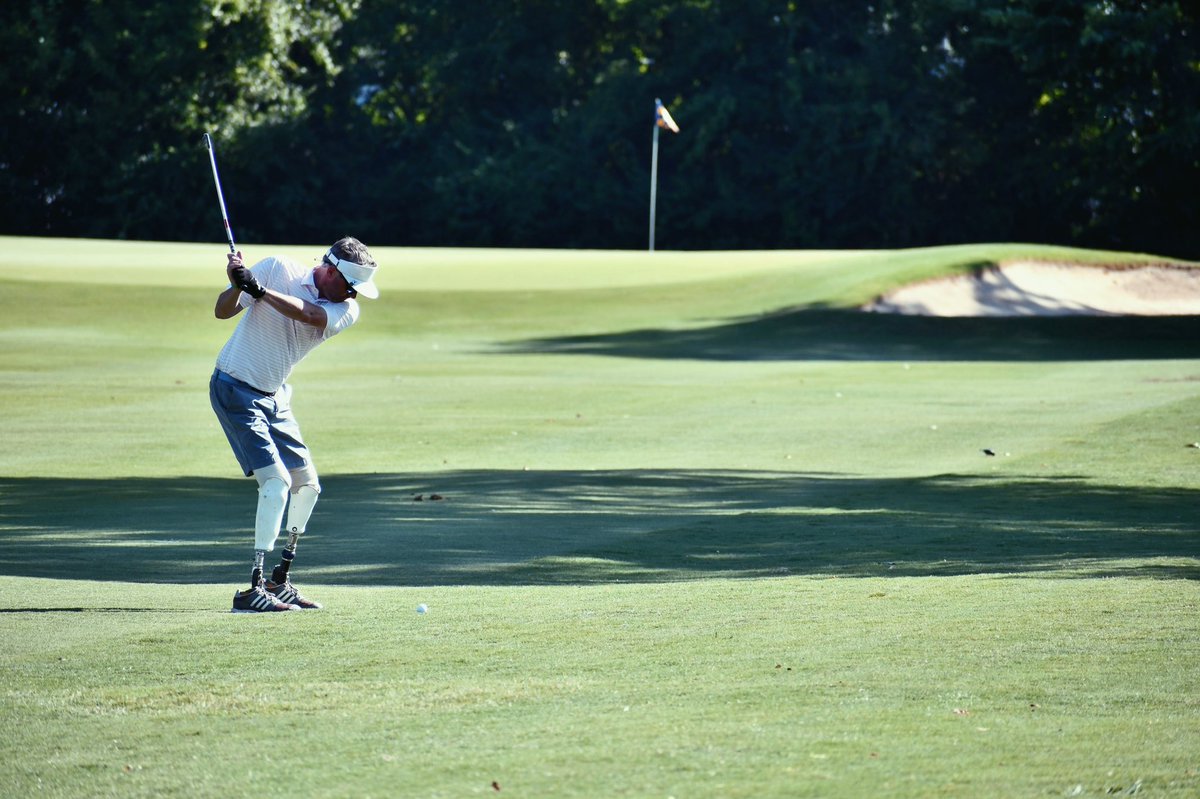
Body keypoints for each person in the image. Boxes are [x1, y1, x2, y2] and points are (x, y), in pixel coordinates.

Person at [209, 237, 379, 613]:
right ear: (330, 271)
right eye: (350, 285)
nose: (354, 295)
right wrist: (239, 283)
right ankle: (252, 590)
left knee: (308, 486)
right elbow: (222, 312)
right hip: (235, 387)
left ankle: (278, 580)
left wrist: (259, 289)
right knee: (276, 483)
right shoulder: (276, 268)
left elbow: (309, 315)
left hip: (274, 396)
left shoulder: (345, 309)